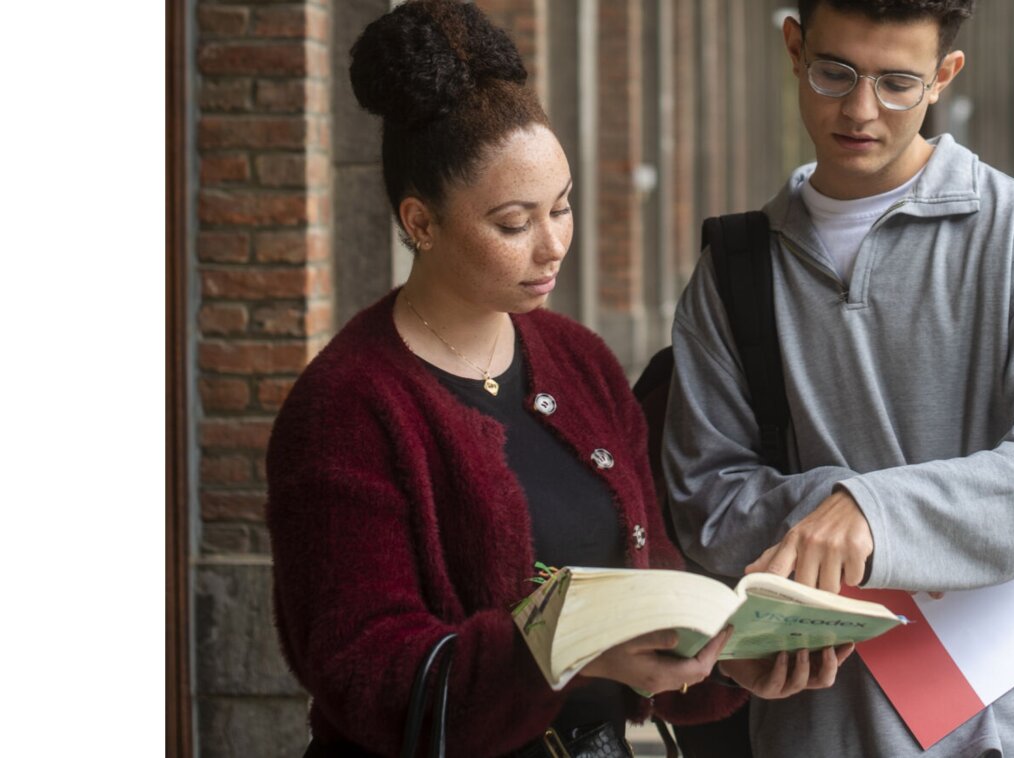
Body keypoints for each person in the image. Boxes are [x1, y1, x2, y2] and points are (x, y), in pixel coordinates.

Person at [266, 2, 743, 755]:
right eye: (514, 224)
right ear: (420, 222)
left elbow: (650, 578)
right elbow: (367, 672)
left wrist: (740, 659)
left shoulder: (578, 360)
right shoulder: (348, 406)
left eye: (563, 207)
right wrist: (560, 652)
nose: (552, 245)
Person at [663, 0, 1014, 755]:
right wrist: (834, 511)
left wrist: (874, 513)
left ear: (945, 76)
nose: (861, 110)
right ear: (793, 46)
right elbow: (703, 500)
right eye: (834, 72)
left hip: (1012, 719)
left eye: (898, 83)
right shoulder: (736, 269)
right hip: (819, 716)